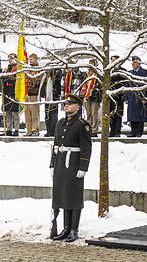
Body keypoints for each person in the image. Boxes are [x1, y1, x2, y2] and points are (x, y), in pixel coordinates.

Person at [50, 94, 92, 243]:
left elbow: (86, 148)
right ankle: (66, 228)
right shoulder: (60, 123)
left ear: (77, 107)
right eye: (65, 104)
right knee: (64, 195)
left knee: (74, 196)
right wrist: (52, 164)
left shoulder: (82, 124)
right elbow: (55, 146)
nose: (66, 106)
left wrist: (83, 167)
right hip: (61, 162)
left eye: (70, 104)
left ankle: (74, 229)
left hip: (74, 163)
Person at [124, 56, 147, 137]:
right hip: (131, 96)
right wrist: (126, 97)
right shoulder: (130, 73)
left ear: (139, 63)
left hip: (140, 96)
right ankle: (133, 131)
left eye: (134, 63)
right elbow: (126, 86)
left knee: (140, 115)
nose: (133, 64)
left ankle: (139, 132)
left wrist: (145, 97)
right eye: (132, 63)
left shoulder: (144, 73)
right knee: (132, 115)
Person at [81, 59, 102, 137]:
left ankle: (94, 130)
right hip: (87, 96)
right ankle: (88, 129)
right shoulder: (87, 74)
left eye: (92, 64)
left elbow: (100, 86)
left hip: (95, 96)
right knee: (88, 113)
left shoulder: (98, 74)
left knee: (94, 113)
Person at [1, 53, 20, 136]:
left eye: (11, 58)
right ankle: (8, 129)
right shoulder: (6, 69)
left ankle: (16, 129)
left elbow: (17, 79)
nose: (10, 60)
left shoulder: (18, 68)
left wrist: (9, 79)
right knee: (8, 111)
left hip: (14, 90)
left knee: (15, 112)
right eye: (9, 58)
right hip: (6, 91)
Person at [41, 68, 62, 137]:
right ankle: (48, 131)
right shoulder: (46, 75)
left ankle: (53, 131)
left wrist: (51, 73)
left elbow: (57, 78)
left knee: (53, 115)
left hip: (54, 96)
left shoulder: (58, 71)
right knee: (47, 115)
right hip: (47, 96)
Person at [109, 55, 126, 137]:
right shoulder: (108, 70)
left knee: (118, 114)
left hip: (119, 96)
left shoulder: (122, 71)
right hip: (110, 95)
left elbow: (124, 84)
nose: (113, 61)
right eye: (112, 60)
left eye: (114, 60)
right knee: (110, 114)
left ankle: (117, 131)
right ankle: (112, 131)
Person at [25, 53, 41, 136]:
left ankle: (35, 130)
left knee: (34, 113)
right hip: (27, 93)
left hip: (35, 93)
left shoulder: (38, 69)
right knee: (28, 113)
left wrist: (32, 78)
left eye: (31, 59)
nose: (30, 61)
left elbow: (39, 80)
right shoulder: (27, 69)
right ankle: (29, 130)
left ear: (36, 59)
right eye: (29, 59)